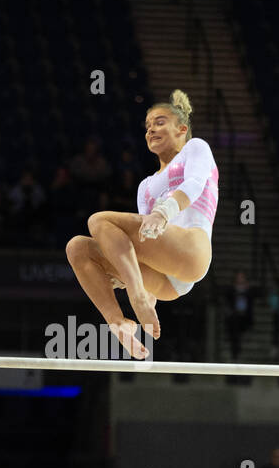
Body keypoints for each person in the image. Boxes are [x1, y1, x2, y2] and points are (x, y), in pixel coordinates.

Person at [65, 90, 218, 359]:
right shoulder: (145, 187)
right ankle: (118, 322)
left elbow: (194, 184)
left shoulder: (196, 148)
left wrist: (164, 212)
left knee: (98, 220)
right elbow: (143, 245)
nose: (151, 130)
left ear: (182, 128)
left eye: (159, 122)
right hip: (165, 284)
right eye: (148, 126)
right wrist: (149, 298)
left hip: (192, 251)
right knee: (78, 248)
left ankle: (134, 295)